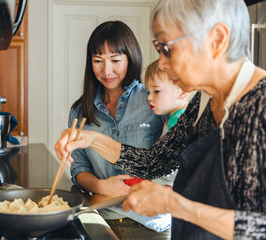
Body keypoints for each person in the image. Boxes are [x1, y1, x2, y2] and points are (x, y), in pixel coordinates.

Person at [54, 0, 266, 239]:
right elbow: (153, 162)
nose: (162, 63)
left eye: (168, 48)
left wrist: (174, 204)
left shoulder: (261, 106)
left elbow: (260, 226)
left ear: (217, 39)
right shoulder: (202, 102)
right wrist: (90, 138)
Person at [68, 21, 171, 239]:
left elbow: (181, 145)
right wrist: (100, 185)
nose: (107, 71)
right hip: (100, 219)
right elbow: (78, 168)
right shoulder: (80, 111)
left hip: (150, 224)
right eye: (98, 61)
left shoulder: (152, 98)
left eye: (115, 60)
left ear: (130, 58)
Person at [144, 59, 193, 187]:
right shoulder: (178, 117)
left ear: (182, 92)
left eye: (156, 91)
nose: (149, 97)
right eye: (148, 91)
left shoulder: (178, 122)